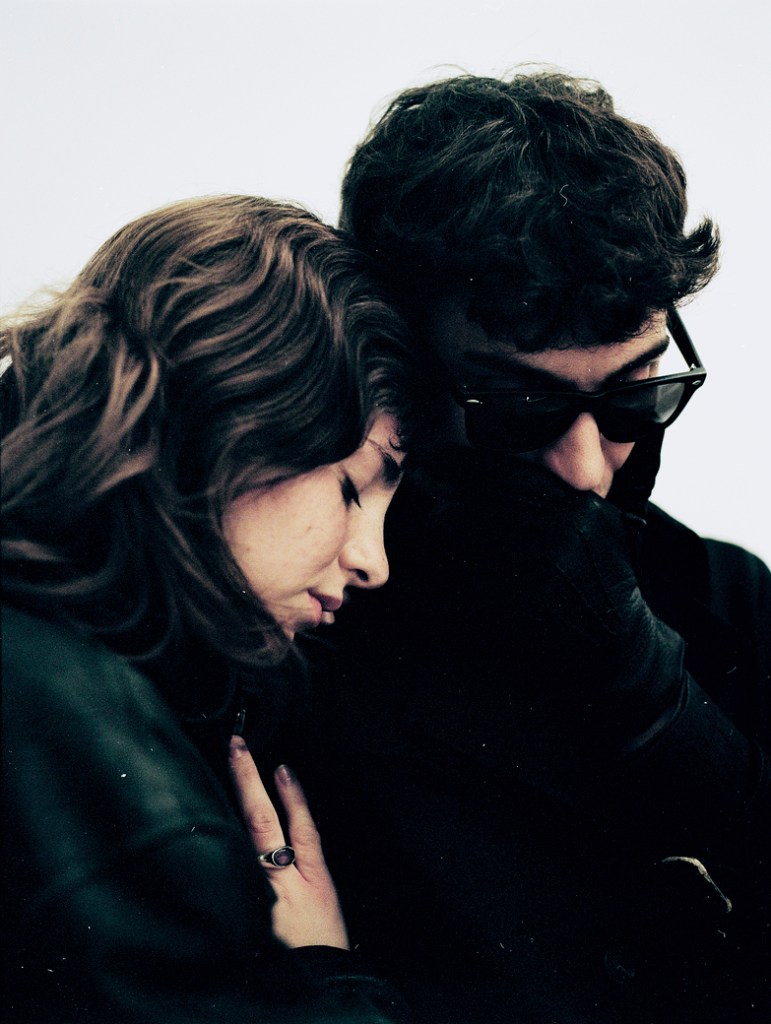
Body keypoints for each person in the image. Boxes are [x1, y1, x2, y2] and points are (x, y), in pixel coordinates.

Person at [289, 71, 771, 1023]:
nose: (586, 469)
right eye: (516, 409)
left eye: (636, 397)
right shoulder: (298, 634)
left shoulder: (727, 594)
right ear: (397, 365)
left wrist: (660, 702)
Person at [1, 194, 420, 1023]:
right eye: (351, 488)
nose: (372, 561)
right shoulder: (85, 756)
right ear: (229, 426)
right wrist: (324, 980)